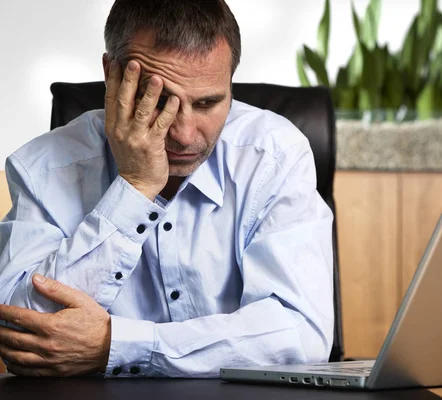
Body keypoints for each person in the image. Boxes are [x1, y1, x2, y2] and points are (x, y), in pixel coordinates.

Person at [0, 0, 334, 378]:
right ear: (112, 75)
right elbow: (21, 334)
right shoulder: (43, 167)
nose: (185, 134)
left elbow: (300, 335)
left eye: (208, 103)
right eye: (159, 101)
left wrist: (117, 344)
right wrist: (135, 187)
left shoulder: (274, 155)